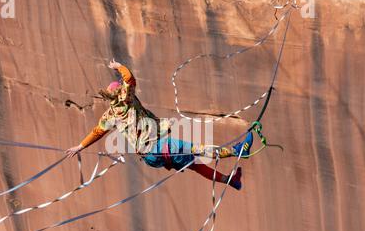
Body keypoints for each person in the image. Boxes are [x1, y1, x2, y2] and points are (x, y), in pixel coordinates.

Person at [66, 60, 253, 190]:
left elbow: (97, 132)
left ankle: (231, 181)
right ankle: (238, 151)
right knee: (197, 150)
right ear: (121, 93)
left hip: (151, 158)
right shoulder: (127, 99)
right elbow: (130, 79)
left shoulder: (110, 114)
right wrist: (118, 66)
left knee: (195, 164)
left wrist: (80, 146)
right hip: (159, 146)